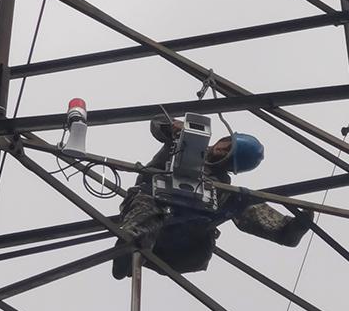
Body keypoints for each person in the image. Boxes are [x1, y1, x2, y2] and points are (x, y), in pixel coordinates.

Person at [112, 116, 311, 279]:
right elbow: (157, 121)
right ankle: (131, 247)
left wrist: (293, 229)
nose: (220, 151)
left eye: (227, 154)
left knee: (240, 200)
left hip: (185, 239)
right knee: (146, 211)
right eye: (225, 145)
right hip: (154, 198)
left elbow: (242, 208)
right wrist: (172, 129)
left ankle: (285, 230)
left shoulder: (222, 187)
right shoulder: (186, 142)